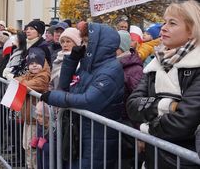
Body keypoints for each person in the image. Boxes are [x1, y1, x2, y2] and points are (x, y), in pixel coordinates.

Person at [127, 0, 200, 168]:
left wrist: (146, 128)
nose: (163, 28)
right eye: (164, 22)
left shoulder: (197, 66)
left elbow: (183, 123)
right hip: (153, 158)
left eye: (172, 23)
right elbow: (132, 106)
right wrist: (169, 105)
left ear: (191, 31)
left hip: (184, 162)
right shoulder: (155, 64)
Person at [40, 22, 124, 168]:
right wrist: (72, 60)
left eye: (86, 42)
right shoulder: (87, 66)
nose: (83, 46)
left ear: (99, 45)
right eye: (83, 41)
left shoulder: (110, 70)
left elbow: (89, 101)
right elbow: (65, 87)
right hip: (80, 133)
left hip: (96, 138)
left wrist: (53, 97)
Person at [15, 47, 51, 169]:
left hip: (37, 119)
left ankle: (33, 166)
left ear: (43, 63)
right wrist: (17, 80)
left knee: (32, 146)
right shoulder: (30, 75)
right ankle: (28, 165)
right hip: (28, 117)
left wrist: (17, 83)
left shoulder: (44, 76)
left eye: (37, 63)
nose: (34, 66)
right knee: (26, 145)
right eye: (31, 64)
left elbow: (29, 85)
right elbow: (20, 79)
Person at [117, 30, 144, 168]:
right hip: (120, 125)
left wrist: (140, 135)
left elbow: (139, 104)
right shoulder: (117, 65)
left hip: (130, 128)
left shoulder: (134, 70)